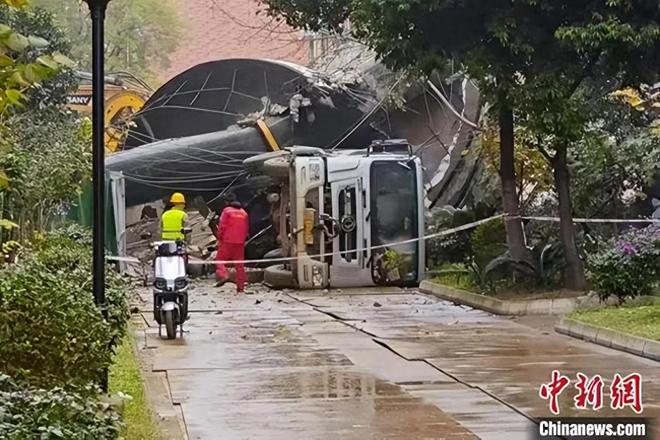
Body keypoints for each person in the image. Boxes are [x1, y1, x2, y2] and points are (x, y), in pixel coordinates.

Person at [215, 193, 250, 293]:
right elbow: (247, 228)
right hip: (240, 242)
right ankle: (240, 287)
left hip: (227, 240)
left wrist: (219, 238)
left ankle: (224, 275)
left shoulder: (227, 211)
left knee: (219, 260)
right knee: (239, 266)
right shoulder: (244, 213)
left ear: (226, 202)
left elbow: (222, 226)